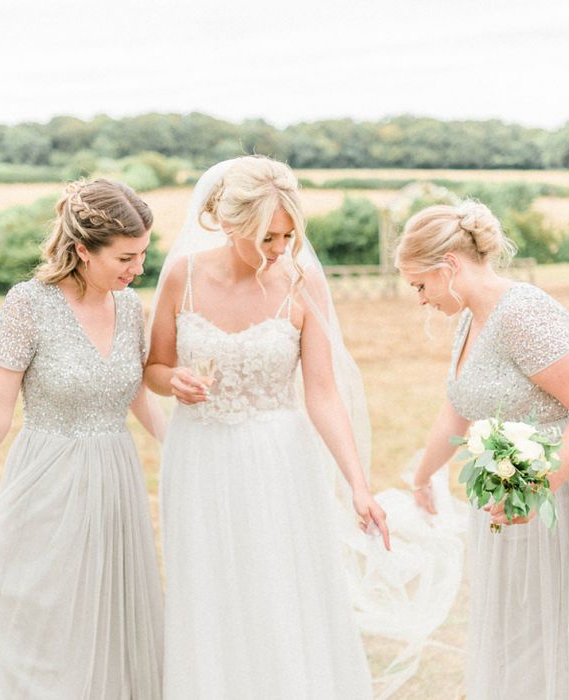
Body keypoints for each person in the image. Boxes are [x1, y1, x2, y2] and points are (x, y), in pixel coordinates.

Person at [144, 156, 389, 699]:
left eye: (288, 235)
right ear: (229, 224)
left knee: (279, 588)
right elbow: (153, 368)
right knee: (211, 589)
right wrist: (174, 380)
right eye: (268, 237)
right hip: (199, 455)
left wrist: (358, 484)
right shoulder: (181, 278)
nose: (280, 249)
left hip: (278, 457)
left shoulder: (302, 286)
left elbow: (322, 393)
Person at [0, 178, 164, 698]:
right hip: (46, 485)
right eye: (126, 256)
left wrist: (185, 453)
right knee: (41, 620)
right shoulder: (27, 305)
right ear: (82, 249)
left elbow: (136, 395)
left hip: (116, 485)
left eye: (143, 254)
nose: (138, 268)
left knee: (107, 618)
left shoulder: (132, 307)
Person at [395, 200, 569, 699]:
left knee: (557, 617)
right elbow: (458, 405)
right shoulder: (471, 319)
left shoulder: (524, 311)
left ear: (449, 266)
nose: (420, 299)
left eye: (420, 285)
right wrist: (423, 475)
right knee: (519, 620)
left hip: (563, 485)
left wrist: (536, 488)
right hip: (511, 488)